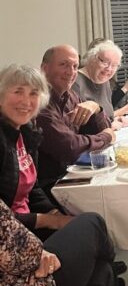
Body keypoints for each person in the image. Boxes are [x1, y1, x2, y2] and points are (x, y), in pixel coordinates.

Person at [0, 64, 73, 239]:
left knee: (89, 224)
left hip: (28, 222)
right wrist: (50, 221)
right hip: (9, 236)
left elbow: (33, 189)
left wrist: (54, 213)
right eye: (18, 91)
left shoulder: (27, 131)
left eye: (33, 93)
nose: (26, 102)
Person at [36, 45, 115, 193]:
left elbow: (96, 127)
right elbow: (70, 147)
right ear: (44, 68)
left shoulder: (70, 95)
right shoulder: (38, 102)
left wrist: (96, 107)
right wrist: (106, 137)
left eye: (75, 66)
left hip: (76, 172)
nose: (71, 72)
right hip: (53, 186)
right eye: (63, 65)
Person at [73, 40, 128, 130]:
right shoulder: (75, 82)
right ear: (92, 59)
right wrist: (109, 126)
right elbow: (76, 129)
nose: (109, 69)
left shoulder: (104, 80)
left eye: (114, 65)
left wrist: (114, 119)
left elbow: (106, 114)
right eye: (105, 62)